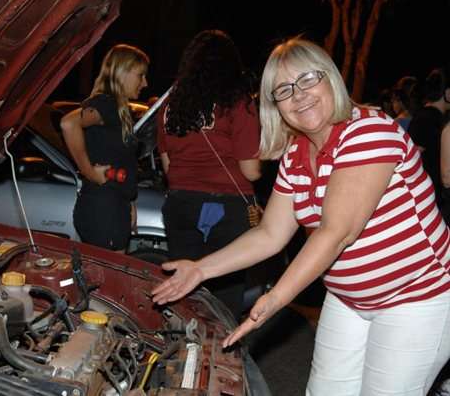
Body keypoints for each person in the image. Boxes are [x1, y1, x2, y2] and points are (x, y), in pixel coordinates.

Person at [152, 36, 450, 395]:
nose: (299, 95)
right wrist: (200, 268)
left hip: (417, 297)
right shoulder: (296, 153)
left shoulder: (368, 131)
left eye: (308, 79)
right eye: (284, 90)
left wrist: (274, 298)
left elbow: (336, 232)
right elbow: (270, 234)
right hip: (350, 300)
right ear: (275, 105)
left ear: (330, 78)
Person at [155, 30, 261, 321]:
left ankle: (183, 345)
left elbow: (167, 166)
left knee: (184, 286)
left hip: (181, 204)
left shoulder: (169, 106)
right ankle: (220, 356)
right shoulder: (238, 101)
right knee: (226, 292)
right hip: (227, 208)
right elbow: (250, 170)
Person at [60, 44, 149, 251]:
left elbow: (122, 160)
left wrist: (129, 202)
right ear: (122, 73)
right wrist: (88, 171)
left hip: (114, 206)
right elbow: (68, 123)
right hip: (103, 209)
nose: (145, 83)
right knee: (107, 280)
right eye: (141, 75)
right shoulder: (106, 104)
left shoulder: (119, 109)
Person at [407, 67, 450, 208]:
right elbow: (412, 160)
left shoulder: (433, 117)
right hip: (429, 202)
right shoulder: (426, 119)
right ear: (446, 93)